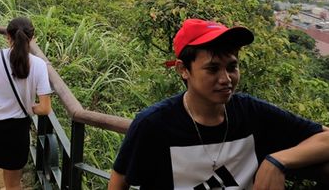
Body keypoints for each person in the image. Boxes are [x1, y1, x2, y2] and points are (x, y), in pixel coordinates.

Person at [108, 18, 329, 190]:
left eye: (232, 67)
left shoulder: (251, 113)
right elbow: (119, 181)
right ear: (183, 70)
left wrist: (278, 161)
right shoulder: (154, 124)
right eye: (212, 69)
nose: (226, 79)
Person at [0, 17, 52, 190]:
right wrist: (26, 106)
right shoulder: (39, 65)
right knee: (13, 184)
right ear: (32, 38)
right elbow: (45, 108)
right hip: (17, 131)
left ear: (8, 36)